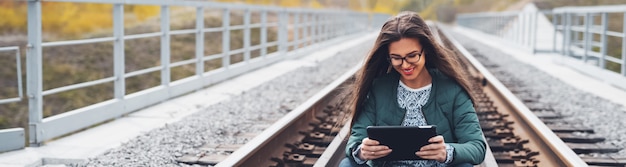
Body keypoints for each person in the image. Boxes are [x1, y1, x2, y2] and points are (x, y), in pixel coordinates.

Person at [340, 11, 486, 167]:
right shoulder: (379, 88)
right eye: (396, 58)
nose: (405, 64)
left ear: (426, 50)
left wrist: (447, 151)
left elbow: (477, 146)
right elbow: (356, 139)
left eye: (412, 55)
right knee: (347, 164)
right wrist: (362, 151)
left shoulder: (452, 90)